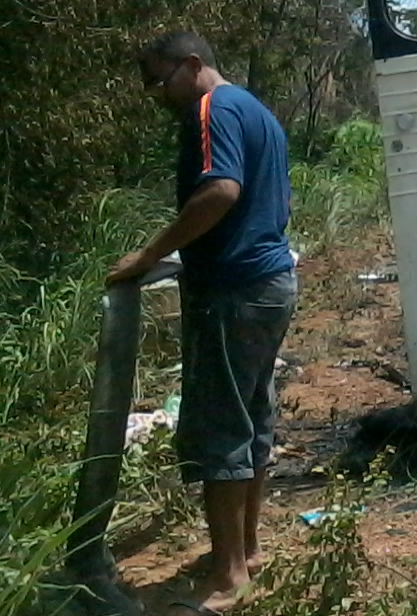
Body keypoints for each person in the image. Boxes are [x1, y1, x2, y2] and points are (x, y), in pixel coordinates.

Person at [109, 31, 297, 613]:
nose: (155, 94)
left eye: (158, 80)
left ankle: (227, 575)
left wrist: (149, 254)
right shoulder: (255, 109)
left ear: (192, 65)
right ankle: (247, 550)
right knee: (252, 416)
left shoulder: (213, 109)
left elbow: (220, 191)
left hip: (234, 289)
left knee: (221, 426)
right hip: (270, 283)